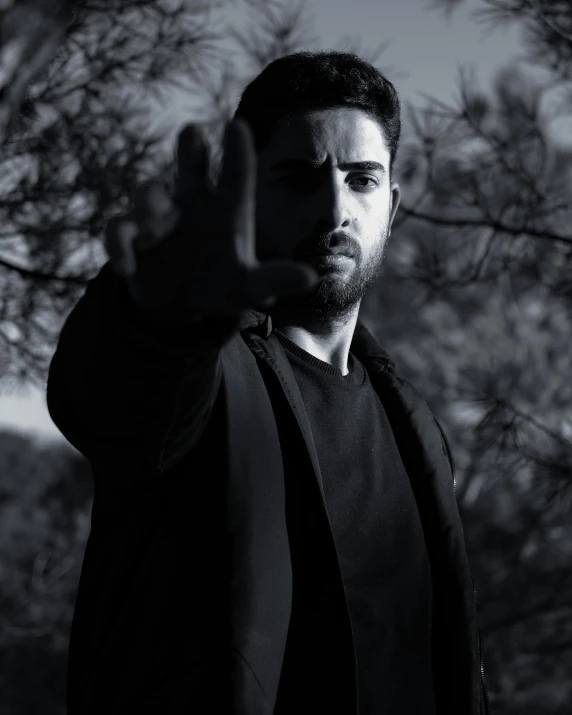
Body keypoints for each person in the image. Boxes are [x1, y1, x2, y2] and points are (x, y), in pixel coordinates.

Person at [47, 51, 491, 714]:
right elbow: (115, 402)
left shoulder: (415, 424)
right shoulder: (202, 368)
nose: (334, 206)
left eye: (362, 179)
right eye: (300, 176)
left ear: (392, 207)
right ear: (246, 194)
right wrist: (161, 319)